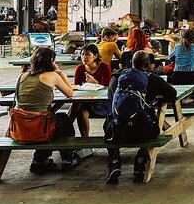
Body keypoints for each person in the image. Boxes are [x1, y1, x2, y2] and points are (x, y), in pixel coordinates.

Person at [105, 51, 177, 184]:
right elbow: (173, 94)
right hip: (141, 131)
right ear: (148, 64)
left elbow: (110, 97)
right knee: (153, 125)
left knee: (108, 123)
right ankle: (140, 162)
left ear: (131, 63)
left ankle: (114, 162)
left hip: (117, 131)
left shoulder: (117, 77)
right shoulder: (153, 79)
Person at [15, 47, 78, 173]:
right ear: (50, 61)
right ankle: (67, 158)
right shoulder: (52, 76)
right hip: (40, 127)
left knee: (48, 119)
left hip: (20, 126)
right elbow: (69, 92)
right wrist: (59, 72)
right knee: (63, 119)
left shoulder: (22, 76)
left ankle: (39, 160)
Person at [69, 44, 112, 138]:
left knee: (77, 104)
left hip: (102, 102)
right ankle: (85, 140)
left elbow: (108, 88)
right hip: (86, 101)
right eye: (82, 54)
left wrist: (95, 82)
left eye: (88, 54)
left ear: (95, 56)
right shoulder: (80, 69)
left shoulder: (104, 67)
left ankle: (68, 125)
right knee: (81, 112)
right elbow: (77, 86)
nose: (84, 57)